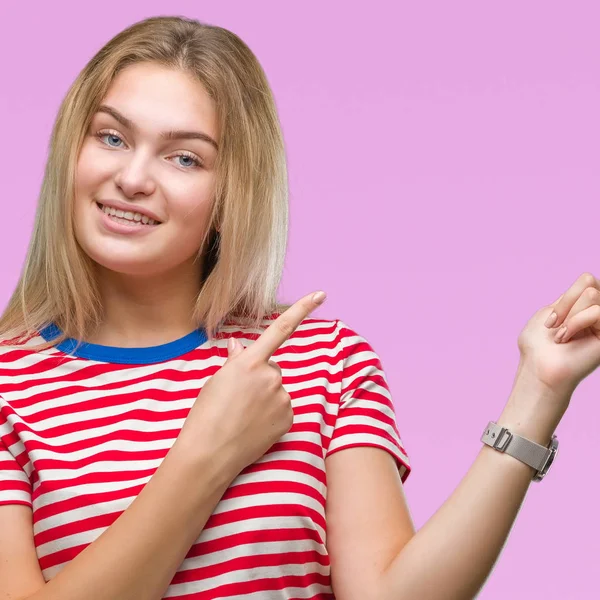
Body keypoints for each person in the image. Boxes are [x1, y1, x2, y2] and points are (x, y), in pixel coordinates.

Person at [0, 15, 598, 600]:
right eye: (112, 137)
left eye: (184, 157)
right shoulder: (9, 390)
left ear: (233, 190)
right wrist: (206, 453)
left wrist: (538, 394)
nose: (132, 178)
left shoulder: (324, 360)